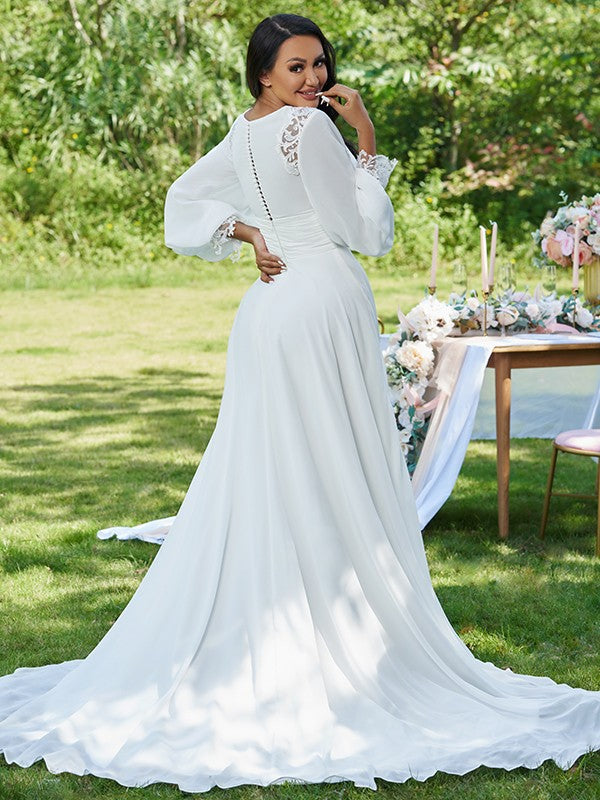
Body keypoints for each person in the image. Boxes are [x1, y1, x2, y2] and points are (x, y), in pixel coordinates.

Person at [0, 13, 599, 793]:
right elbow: (366, 232)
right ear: (264, 74)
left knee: (272, 463)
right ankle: (328, 622)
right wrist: (367, 140)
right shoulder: (309, 131)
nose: (314, 80)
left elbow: (185, 199)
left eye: (319, 65)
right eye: (295, 67)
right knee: (327, 461)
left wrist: (248, 232)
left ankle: (278, 611)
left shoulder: (243, 129)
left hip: (269, 313)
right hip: (319, 300)